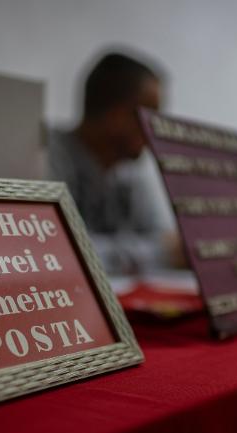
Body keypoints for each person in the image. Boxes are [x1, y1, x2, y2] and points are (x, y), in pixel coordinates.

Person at [48, 51, 181, 275]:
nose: (154, 131)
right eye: (149, 118)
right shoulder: (45, 154)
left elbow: (165, 239)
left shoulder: (129, 171)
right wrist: (159, 254)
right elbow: (51, 254)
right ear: (115, 114)